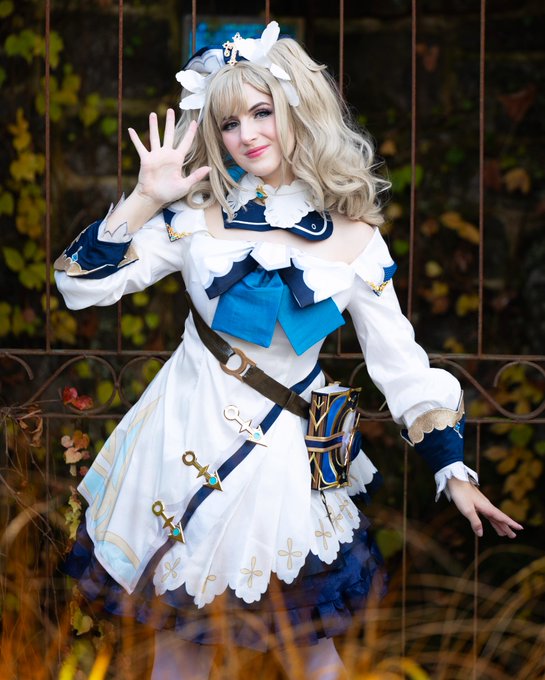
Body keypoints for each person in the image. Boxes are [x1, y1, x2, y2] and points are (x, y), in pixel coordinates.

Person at [55, 22, 522, 680]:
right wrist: (144, 198)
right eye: (228, 123)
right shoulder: (192, 219)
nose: (246, 134)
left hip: (280, 467)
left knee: (311, 655)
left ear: (298, 108)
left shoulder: (355, 238)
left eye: (261, 112)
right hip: (180, 448)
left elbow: (400, 365)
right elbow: (80, 286)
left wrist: (453, 472)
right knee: (178, 651)